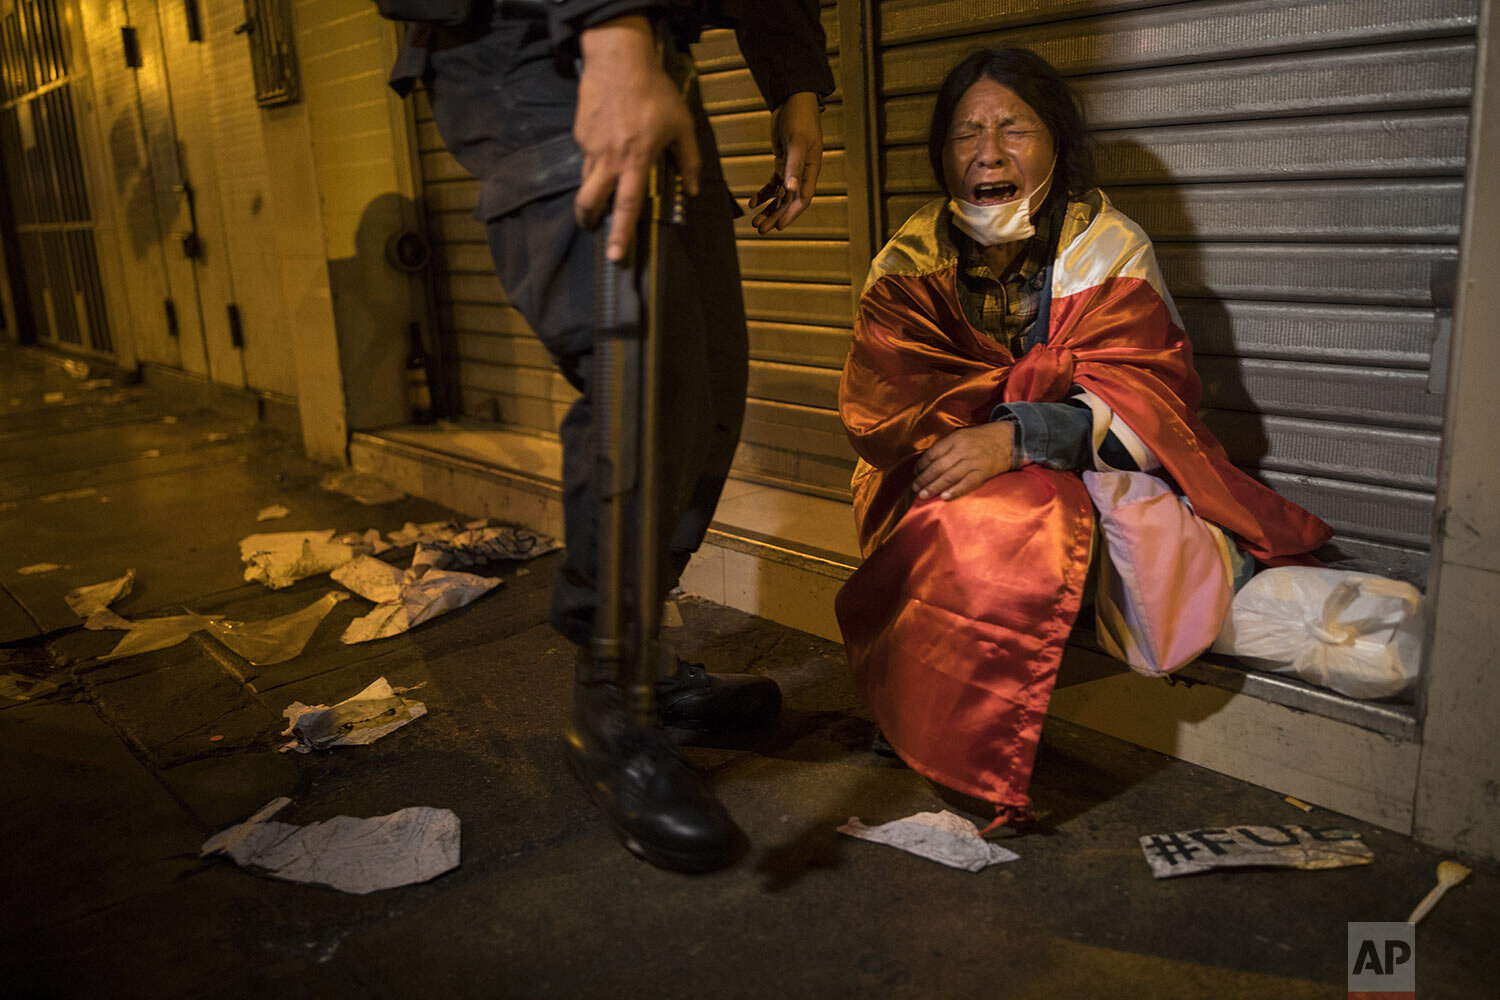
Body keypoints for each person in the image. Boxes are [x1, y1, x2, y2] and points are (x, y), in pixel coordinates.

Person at [384, 1, 834, 872]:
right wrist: (612, 27)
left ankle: (641, 657)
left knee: (705, 384)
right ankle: (610, 704)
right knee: (644, 369)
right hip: (528, 38)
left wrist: (796, 84)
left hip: (650, 39)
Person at [835, 48, 1332, 833]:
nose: (988, 153)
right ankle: (918, 704)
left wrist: (1024, 432)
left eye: (1013, 130)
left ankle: (960, 728)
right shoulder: (908, 260)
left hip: (1083, 476)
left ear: (1057, 143)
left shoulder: (1110, 247)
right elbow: (883, 405)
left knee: (1009, 513)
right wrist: (972, 438)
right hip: (935, 470)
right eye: (966, 133)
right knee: (946, 504)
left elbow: (1156, 402)